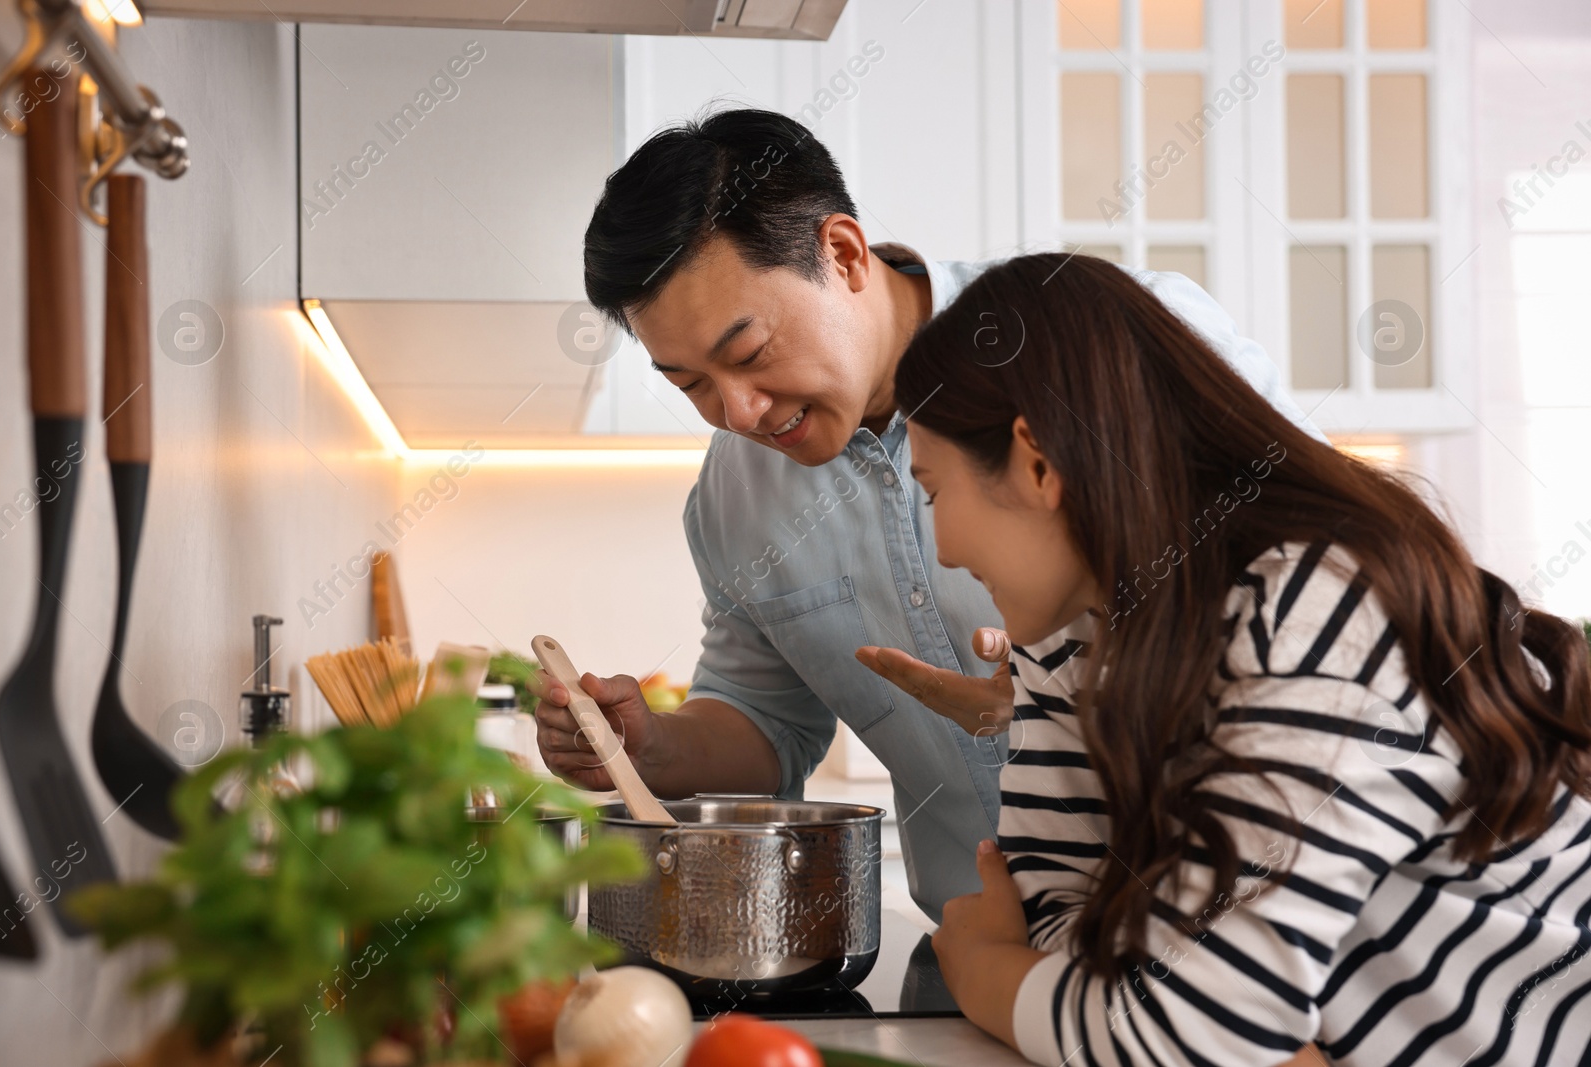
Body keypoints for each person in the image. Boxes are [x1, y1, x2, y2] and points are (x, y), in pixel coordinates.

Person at [531, 107, 1324, 920]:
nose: (736, 410)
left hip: (1239, 931)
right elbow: (765, 721)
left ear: (841, 255)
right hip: (982, 965)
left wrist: (1080, 682)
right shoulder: (734, 501)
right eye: (690, 383)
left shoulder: (1114, 346)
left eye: (747, 353)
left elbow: (1321, 604)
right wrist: (647, 746)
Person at [900, 251, 1591, 1065]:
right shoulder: (1074, 639)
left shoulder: (1315, 610)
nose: (940, 547)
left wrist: (988, 974)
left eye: (934, 488)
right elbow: (1064, 914)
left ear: (1037, 460)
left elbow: (1186, 1035)